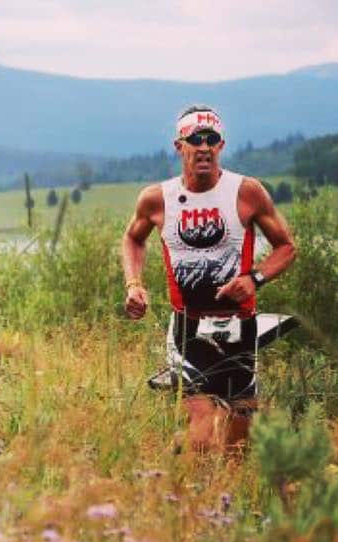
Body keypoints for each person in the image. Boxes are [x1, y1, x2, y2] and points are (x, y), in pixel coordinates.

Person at [121, 105, 296, 454]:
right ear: (179, 146)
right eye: (194, 139)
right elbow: (132, 238)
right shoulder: (157, 198)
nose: (203, 146)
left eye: (211, 139)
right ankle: (167, 477)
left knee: (238, 442)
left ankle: (200, 486)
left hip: (241, 326)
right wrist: (134, 284)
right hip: (188, 328)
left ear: (221, 145)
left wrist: (255, 279)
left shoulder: (246, 192)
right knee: (204, 427)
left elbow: (286, 247)